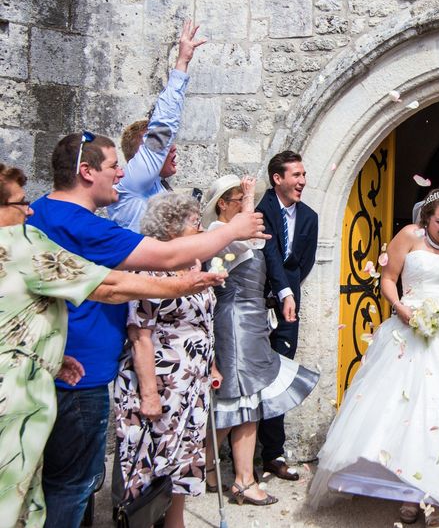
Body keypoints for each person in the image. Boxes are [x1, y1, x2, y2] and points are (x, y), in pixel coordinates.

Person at [27, 132, 268, 528]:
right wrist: (230, 230)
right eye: (112, 166)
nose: (121, 174)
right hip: (79, 377)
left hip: (66, 364)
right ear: (85, 172)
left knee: (71, 486)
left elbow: (109, 287)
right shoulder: (81, 225)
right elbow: (161, 261)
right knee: (73, 486)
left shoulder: (44, 213)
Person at [0, 164, 225, 528]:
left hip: (34, 382)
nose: (30, 211)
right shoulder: (22, 246)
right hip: (15, 402)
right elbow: (109, 288)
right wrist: (183, 284)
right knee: (38, 490)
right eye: (20, 203)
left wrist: (51, 358)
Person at [309, 189, 439, 527]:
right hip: (409, 330)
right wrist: (402, 309)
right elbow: (388, 280)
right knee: (406, 411)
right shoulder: (407, 236)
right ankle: (407, 492)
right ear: (426, 218)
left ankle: (433, 494)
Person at [201, 174, 319, 505]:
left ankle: (206, 466)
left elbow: (256, 242)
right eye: (239, 201)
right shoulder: (216, 235)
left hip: (252, 321)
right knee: (243, 401)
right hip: (235, 322)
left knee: (238, 400)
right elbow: (248, 239)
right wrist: (253, 193)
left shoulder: (235, 234)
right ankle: (243, 480)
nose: (248, 210)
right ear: (223, 204)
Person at [114, 193, 225, 528]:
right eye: (194, 222)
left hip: (192, 383)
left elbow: (205, 321)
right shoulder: (148, 268)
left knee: (183, 459)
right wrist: (149, 394)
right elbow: (140, 334)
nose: (202, 227)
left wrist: (212, 366)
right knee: (151, 462)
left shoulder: (193, 265)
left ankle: (176, 523)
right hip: (160, 381)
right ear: (172, 227)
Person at [256, 151, 319, 480]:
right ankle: (242, 451)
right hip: (256, 307)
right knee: (251, 379)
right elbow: (268, 253)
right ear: (277, 178)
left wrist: (290, 290)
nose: (302, 181)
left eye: (304, 175)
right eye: (296, 175)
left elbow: (301, 264)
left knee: (279, 379)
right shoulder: (261, 210)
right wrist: (283, 291)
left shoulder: (309, 216)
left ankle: (273, 454)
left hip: (288, 311)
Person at [108, 20, 205, 232]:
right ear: (143, 153)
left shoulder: (160, 187)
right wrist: (181, 64)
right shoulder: (133, 184)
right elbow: (163, 126)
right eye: (164, 145)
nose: (172, 147)